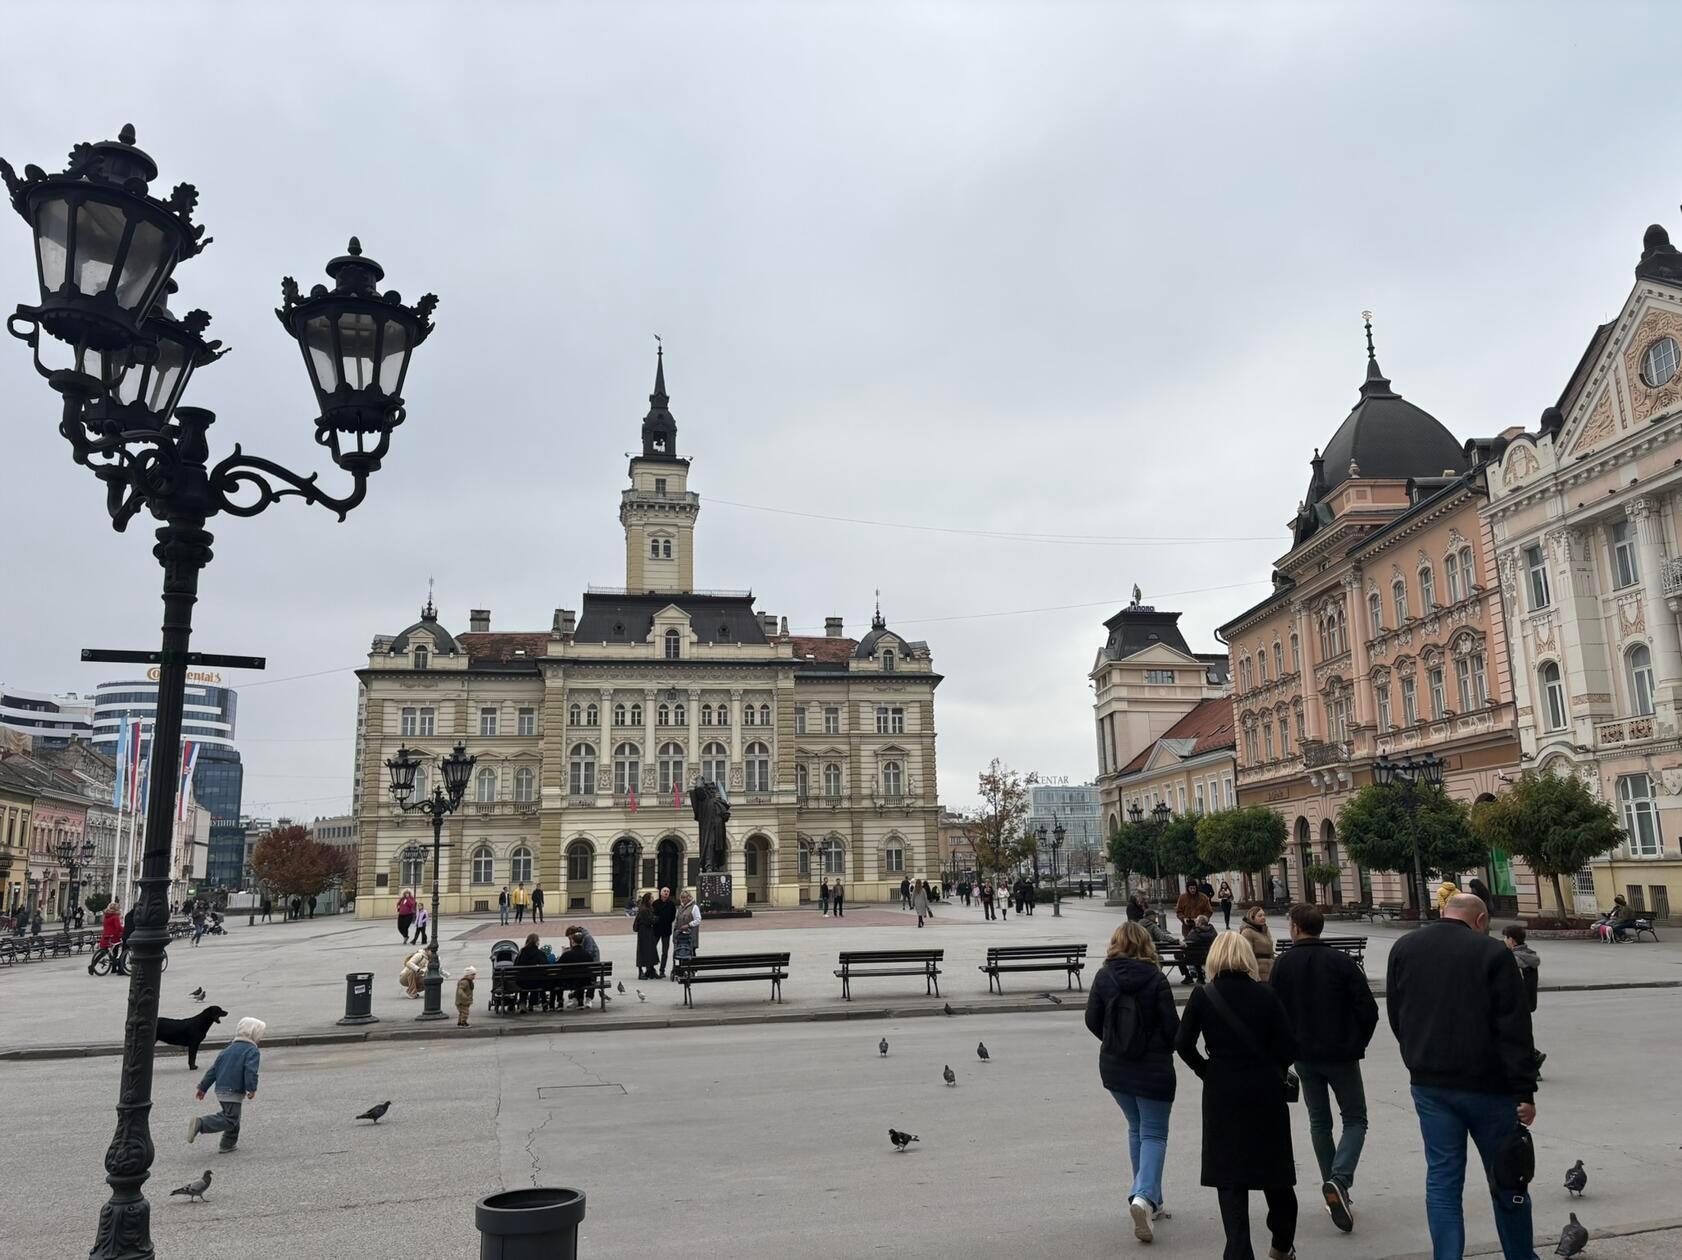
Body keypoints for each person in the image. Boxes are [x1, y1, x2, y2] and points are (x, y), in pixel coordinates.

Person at [1387, 892, 1539, 1260]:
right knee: (1508, 1177)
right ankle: (1520, 1256)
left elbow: (1396, 1012)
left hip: (1430, 1085)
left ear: (1443, 911)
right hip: (1489, 1087)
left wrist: (1416, 1056)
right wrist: (1524, 1091)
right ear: (1482, 919)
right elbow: (1514, 1027)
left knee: (1442, 1181)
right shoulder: (1492, 954)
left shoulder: (1404, 948)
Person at [1175, 932, 1299, 1260]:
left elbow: (1182, 1044)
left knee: (1229, 1176)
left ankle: (1239, 1249)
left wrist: (1207, 1070)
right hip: (1265, 1092)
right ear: (1246, 958)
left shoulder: (1203, 996)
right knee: (1275, 1172)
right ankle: (1281, 1243)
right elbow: (1289, 1046)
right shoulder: (1267, 996)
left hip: (1222, 1091)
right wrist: (1272, 1067)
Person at [1269, 903, 1378, 1234]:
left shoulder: (1283, 964)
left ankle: (1333, 1184)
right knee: (1355, 1118)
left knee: (1320, 1121)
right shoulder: (1341, 961)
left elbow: (1274, 1012)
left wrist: (1284, 1052)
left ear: (1297, 928)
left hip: (1303, 1054)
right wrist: (1356, 1040)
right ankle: (1340, 1181)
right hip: (1342, 1053)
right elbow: (1368, 1009)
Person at [1086, 922, 1181, 1243]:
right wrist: (1158, 1049)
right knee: (1154, 1134)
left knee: (1136, 1129)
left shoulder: (1104, 976)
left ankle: (1153, 1200)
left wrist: (1114, 1041)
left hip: (1115, 1068)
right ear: (1145, 945)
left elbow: (1092, 1020)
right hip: (1153, 1068)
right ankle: (1142, 1197)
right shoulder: (1156, 978)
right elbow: (1173, 1028)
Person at [190, 1017, 264, 1152]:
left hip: (221, 1089)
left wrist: (203, 1087)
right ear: (254, 1034)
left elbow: (214, 1069)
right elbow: (250, 1071)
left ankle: (227, 1144)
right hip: (233, 1089)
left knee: (233, 1116)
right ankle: (201, 1124)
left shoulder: (227, 1049)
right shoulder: (252, 1050)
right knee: (231, 1118)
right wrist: (251, 1088)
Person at [1502, 925, 1546, 1077]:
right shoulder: (1530, 956)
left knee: (1511, 1035)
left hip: (1514, 1003)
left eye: (1505, 938)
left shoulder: (1514, 959)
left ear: (1512, 940)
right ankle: (1533, 1062)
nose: (1504, 941)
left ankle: (1533, 1058)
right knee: (1518, 1034)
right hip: (1528, 1002)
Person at [1240, 906, 1276, 982]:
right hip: (1258, 971)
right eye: (1260, 916)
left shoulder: (1265, 930)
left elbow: (1270, 950)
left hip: (1270, 970)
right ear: (1252, 917)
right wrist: (1253, 974)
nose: (1263, 917)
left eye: (1264, 915)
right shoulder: (1247, 932)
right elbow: (1247, 955)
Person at [513, 932, 546, 1012]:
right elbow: (546, 966)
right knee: (537, 978)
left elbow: (515, 966)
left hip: (522, 983)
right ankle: (532, 1003)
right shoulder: (540, 953)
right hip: (536, 982)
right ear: (536, 942)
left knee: (524, 978)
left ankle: (523, 1003)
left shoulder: (521, 953)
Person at [1182, 914, 1218, 985]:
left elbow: (1186, 941)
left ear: (1199, 923)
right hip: (1210, 956)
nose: (1195, 922)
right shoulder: (1213, 931)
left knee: (1178, 956)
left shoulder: (1195, 932)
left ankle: (1188, 976)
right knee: (1197, 954)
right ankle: (1200, 977)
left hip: (1196, 957)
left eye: (1196, 921)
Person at [633, 893, 661, 979]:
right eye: (651, 898)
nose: (652, 899)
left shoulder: (647, 908)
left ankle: (651, 969)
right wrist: (656, 919)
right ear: (648, 900)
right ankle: (641, 971)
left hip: (648, 931)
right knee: (644, 950)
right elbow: (648, 920)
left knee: (650, 950)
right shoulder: (644, 909)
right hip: (644, 932)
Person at [672, 891, 701, 973]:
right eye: (682, 897)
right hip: (680, 935)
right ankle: (682, 969)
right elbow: (677, 920)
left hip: (690, 934)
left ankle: (693, 969)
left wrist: (688, 925)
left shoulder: (694, 907)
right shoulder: (680, 908)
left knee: (691, 951)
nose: (683, 899)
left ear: (689, 897)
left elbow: (698, 919)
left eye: (685, 897)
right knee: (680, 951)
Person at [654, 886, 677, 976]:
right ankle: (651, 968)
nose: (666, 893)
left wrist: (667, 922)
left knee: (665, 952)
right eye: (664, 891)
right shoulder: (655, 903)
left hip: (666, 931)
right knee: (652, 949)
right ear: (661, 893)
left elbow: (673, 916)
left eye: (667, 891)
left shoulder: (671, 904)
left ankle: (662, 970)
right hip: (656, 930)